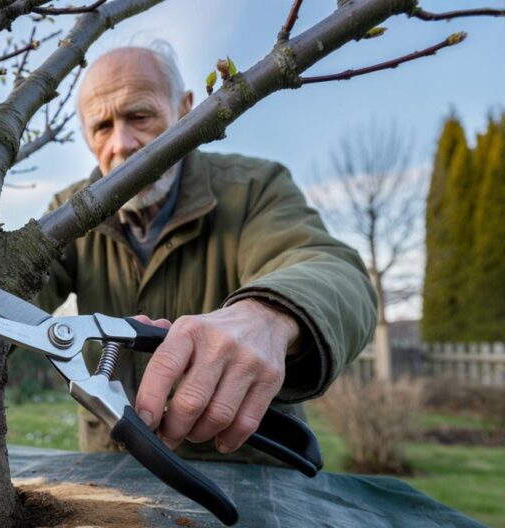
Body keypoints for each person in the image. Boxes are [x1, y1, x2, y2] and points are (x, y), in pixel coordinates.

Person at [34, 43, 377, 464]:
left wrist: (271, 315)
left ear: (185, 110)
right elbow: (9, 295)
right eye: (102, 127)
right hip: (110, 473)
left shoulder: (254, 188)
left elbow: (332, 270)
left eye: (140, 116)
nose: (121, 144)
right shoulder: (67, 215)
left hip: (249, 473)